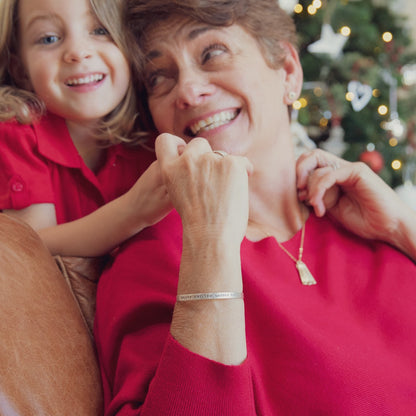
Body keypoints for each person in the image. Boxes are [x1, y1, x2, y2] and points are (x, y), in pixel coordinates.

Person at [94, 0, 416, 414]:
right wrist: (209, 245)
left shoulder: (372, 221)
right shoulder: (155, 258)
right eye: (159, 78)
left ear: (288, 71)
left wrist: (402, 227)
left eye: (212, 54)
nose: (189, 91)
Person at [0, 0, 171, 256]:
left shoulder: (151, 137)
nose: (78, 52)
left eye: (100, 30)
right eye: (49, 39)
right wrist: (133, 210)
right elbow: (31, 249)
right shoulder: (17, 134)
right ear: (21, 69)